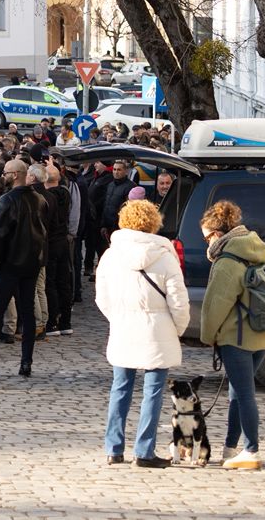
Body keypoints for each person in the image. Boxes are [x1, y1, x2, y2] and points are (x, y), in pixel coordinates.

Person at [94, 198, 189, 466]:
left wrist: (117, 317)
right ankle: (144, 450)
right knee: (153, 392)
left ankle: (113, 448)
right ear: (153, 223)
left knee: (120, 388)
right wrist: (177, 328)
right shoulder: (165, 256)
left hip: (124, 327)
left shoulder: (111, 256)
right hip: (158, 329)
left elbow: (102, 297)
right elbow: (178, 301)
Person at [199, 198, 265, 469]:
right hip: (261, 334)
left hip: (237, 336)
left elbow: (216, 305)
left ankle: (251, 450)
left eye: (207, 238)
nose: (207, 243)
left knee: (244, 394)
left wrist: (208, 336)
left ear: (217, 234)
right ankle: (230, 448)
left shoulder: (227, 260)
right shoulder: (255, 249)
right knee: (237, 392)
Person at [0, 164, 47, 380]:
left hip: (10, 264)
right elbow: (43, 233)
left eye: (5, 173)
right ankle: (26, 362)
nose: (2, 176)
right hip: (31, 263)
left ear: (14, 175)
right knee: (27, 311)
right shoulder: (39, 199)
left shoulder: (9, 200)